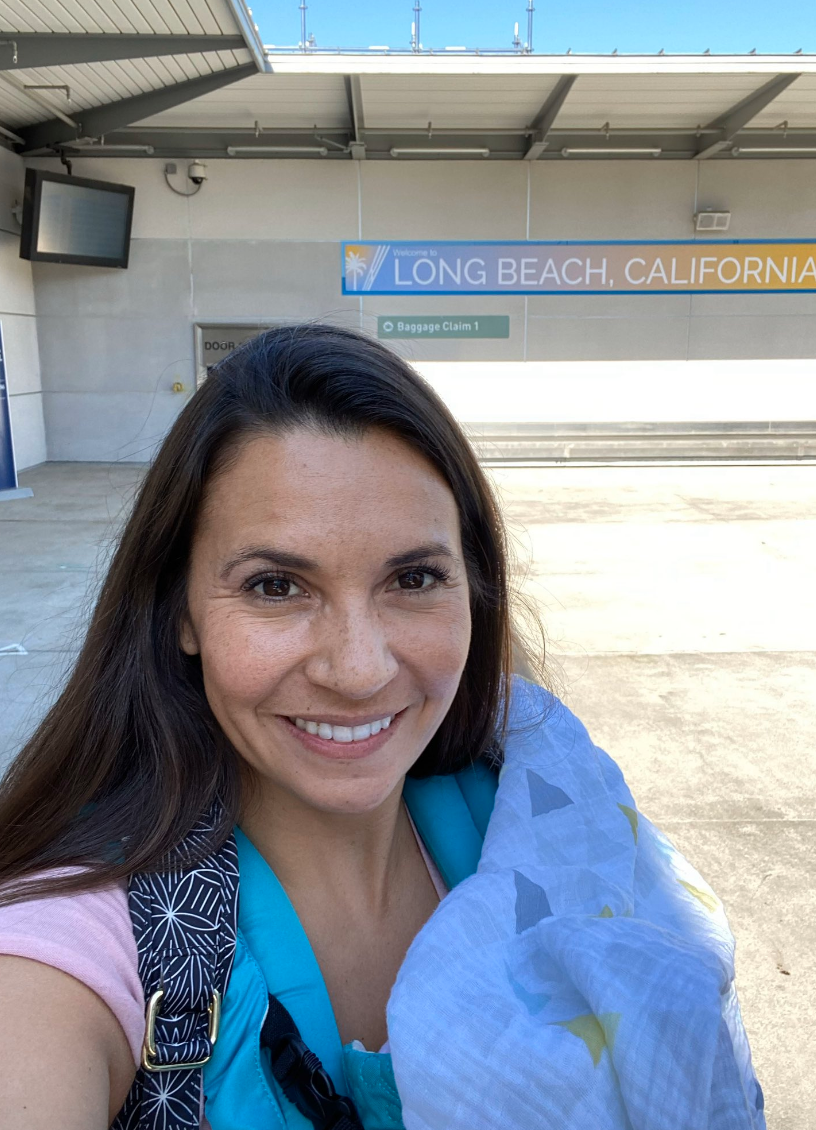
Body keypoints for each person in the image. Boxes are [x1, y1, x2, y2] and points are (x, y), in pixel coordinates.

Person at [0, 324, 764, 1130]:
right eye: (274, 587)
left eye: (413, 577)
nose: (359, 670)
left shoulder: (536, 800)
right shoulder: (78, 935)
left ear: (473, 587)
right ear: (179, 609)